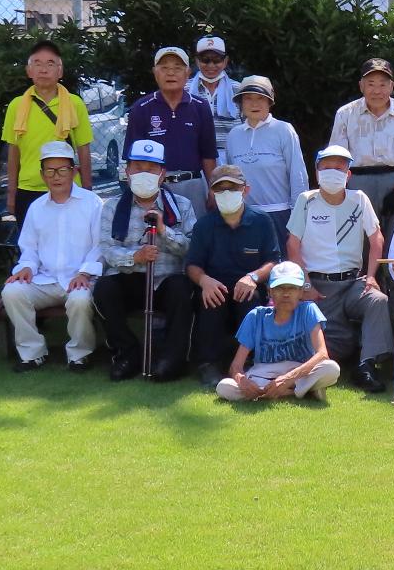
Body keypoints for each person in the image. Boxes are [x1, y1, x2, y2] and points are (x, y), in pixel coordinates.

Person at [286, 144, 393, 394]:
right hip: (318, 286)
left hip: (353, 282)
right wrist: (306, 284)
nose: (333, 172)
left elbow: (376, 237)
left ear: (348, 174)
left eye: (340, 167)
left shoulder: (359, 199)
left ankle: (367, 365)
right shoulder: (306, 200)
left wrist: (371, 276)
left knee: (378, 301)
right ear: (317, 171)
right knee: (332, 348)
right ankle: (338, 362)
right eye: (327, 167)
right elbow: (293, 244)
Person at [93, 138, 197, 382]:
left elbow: (191, 248)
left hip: (166, 280)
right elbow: (108, 250)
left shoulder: (181, 206)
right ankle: (127, 353)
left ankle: (172, 359)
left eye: (151, 169)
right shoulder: (112, 207)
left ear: (162, 174)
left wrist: (164, 231)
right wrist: (135, 257)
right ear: (127, 172)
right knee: (104, 290)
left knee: (183, 290)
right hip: (131, 278)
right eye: (138, 167)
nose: (144, 174)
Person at [4, 139, 106, 372]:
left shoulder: (92, 204)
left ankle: (79, 355)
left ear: (74, 172)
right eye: (50, 171)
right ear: (42, 175)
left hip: (81, 278)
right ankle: (32, 353)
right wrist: (26, 266)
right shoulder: (36, 207)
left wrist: (84, 272)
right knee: (12, 292)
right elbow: (28, 247)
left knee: (80, 300)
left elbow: (101, 245)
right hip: (45, 279)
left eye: (62, 170)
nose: (56, 176)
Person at [184, 163, 285, 385]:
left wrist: (253, 277)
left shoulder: (262, 221)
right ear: (211, 193)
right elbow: (192, 264)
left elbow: (273, 261)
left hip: (248, 287)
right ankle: (208, 364)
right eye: (220, 189)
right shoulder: (204, 225)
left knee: (251, 301)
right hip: (215, 286)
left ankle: (250, 361)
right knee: (211, 300)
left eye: (233, 188)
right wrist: (204, 281)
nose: (226, 193)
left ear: (245, 190)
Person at [328, 57, 394, 239]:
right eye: (370, 84)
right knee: (358, 245)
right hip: (357, 184)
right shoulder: (346, 113)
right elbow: (337, 158)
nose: (377, 90)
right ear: (361, 86)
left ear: (391, 86)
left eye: (382, 84)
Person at [216, 261, 340, 404]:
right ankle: (303, 390)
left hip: (299, 370)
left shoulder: (308, 310)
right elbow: (236, 366)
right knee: (224, 387)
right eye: (280, 288)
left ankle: (280, 391)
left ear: (300, 292)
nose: (286, 294)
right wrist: (242, 381)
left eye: (292, 288)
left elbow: (322, 354)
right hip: (263, 373)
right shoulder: (256, 316)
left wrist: (287, 379)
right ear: (270, 291)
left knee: (331, 368)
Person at [1, 39, 93, 228]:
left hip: (68, 188)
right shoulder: (16, 106)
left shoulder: (75, 104)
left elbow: (84, 149)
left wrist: (87, 190)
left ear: (60, 71)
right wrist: (12, 193)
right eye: (37, 63)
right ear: (29, 71)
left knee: (72, 246)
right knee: (31, 250)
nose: (43, 69)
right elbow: (13, 151)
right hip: (28, 189)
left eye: (50, 64)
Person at [126, 44, 219, 216]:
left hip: (193, 185)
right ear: (155, 72)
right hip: (155, 188)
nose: (171, 73)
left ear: (188, 73)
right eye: (164, 68)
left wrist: (213, 188)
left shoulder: (200, 107)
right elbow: (132, 159)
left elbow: (208, 155)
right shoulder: (141, 108)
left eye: (177, 68)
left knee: (194, 239)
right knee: (158, 238)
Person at [222, 74, 305, 240]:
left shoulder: (284, 130)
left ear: (270, 101)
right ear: (240, 103)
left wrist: (298, 219)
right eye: (248, 98)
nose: (254, 103)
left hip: (280, 215)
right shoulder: (233, 135)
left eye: (260, 98)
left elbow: (298, 175)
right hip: (243, 216)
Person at [189, 35, 242, 161]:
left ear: (225, 61)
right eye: (205, 60)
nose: (211, 65)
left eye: (217, 60)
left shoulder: (239, 89)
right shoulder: (185, 89)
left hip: (232, 156)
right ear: (197, 60)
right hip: (195, 155)